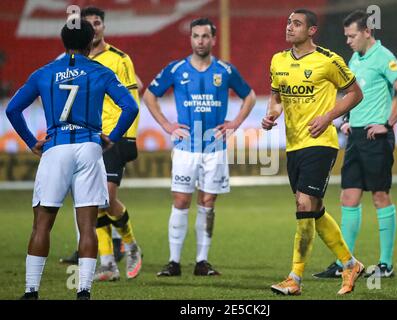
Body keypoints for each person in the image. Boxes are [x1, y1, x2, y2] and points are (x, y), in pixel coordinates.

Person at [6, 19, 138, 300]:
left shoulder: (45, 73)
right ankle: (83, 292)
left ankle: (31, 292)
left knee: (42, 224)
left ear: (63, 43)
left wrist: (32, 142)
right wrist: (111, 137)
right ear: (91, 43)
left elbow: (14, 110)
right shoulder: (100, 71)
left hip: (56, 148)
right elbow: (130, 106)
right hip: (89, 147)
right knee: (88, 225)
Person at [262, 8, 365, 296]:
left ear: (311, 30)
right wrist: (272, 114)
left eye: (296, 23)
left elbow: (356, 93)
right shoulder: (278, 60)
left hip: (321, 143)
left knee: (304, 205)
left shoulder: (328, 60)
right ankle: (350, 263)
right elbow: (276, 96)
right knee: (314, 210)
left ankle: (294, 278)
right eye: (288, 22)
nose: (290, 27)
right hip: (293, 145)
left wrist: (328, 116)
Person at [143, 17, 256, 276]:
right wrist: (166, 125)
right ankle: (173, 262)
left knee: (208, 203)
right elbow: (149, 95)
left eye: (205, 36)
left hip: (215, 149)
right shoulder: (176, 68)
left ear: (213, 39)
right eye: (196, 36)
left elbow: (249, 96)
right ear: (190, 39)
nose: (200, 41)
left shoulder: (225, 71)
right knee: (181, 201)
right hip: (185, 148)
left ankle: (202, 261)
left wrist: (236, 122)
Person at [313, 10, 397, 279]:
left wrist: (388, 124)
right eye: (346, 36)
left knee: (380, 196)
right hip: (356, 137)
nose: (348, 40)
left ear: (367, 32)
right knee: (348, 197)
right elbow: (352, 94)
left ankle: (385, 264)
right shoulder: (355, 59)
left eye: (352, 35)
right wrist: (346, 119)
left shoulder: (384, 57)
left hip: (376, 137)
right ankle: (345, 263)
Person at [59, 7, 144, 281]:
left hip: (113, 136)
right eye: (89, 24)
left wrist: (127, 136)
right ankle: (108, 264)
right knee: (92, 202)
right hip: (85, 136)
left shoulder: (119, 59)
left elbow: (132, 100)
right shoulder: (73, 61)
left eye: (98, 23)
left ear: (104, 27)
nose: (94, 28)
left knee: (106, 199)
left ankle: (130, 245)